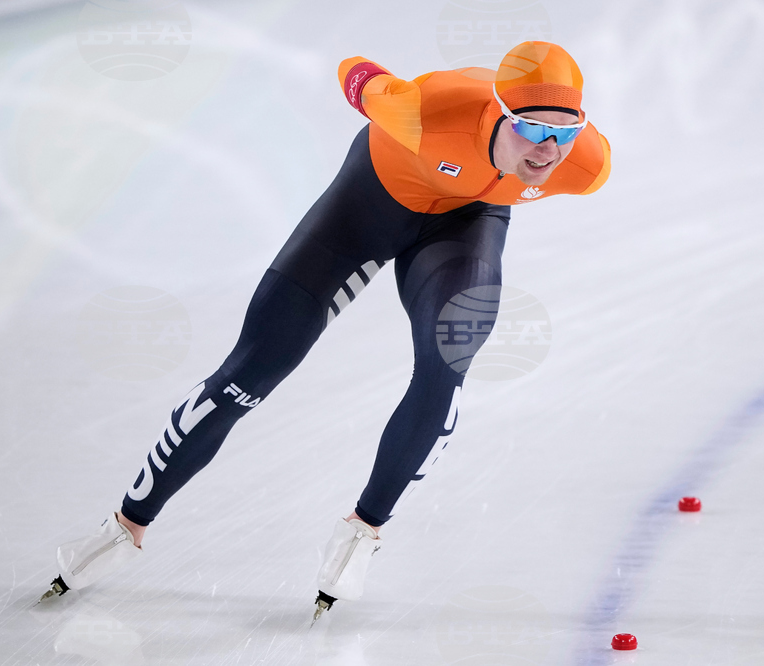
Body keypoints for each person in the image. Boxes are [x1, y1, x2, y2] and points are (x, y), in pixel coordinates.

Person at [42, 41, 611, 620]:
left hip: (465, 224)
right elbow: (355, 71)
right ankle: (127, 525)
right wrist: (372, 87)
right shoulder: (426, 111)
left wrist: (552, 144)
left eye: (563, 133)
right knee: (253, 369)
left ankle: (363, 531)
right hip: (368, 205)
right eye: (530, 129)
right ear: (497, 113)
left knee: (447, 364)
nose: (546, 150)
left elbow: (556, 149)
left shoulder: (585, 165)